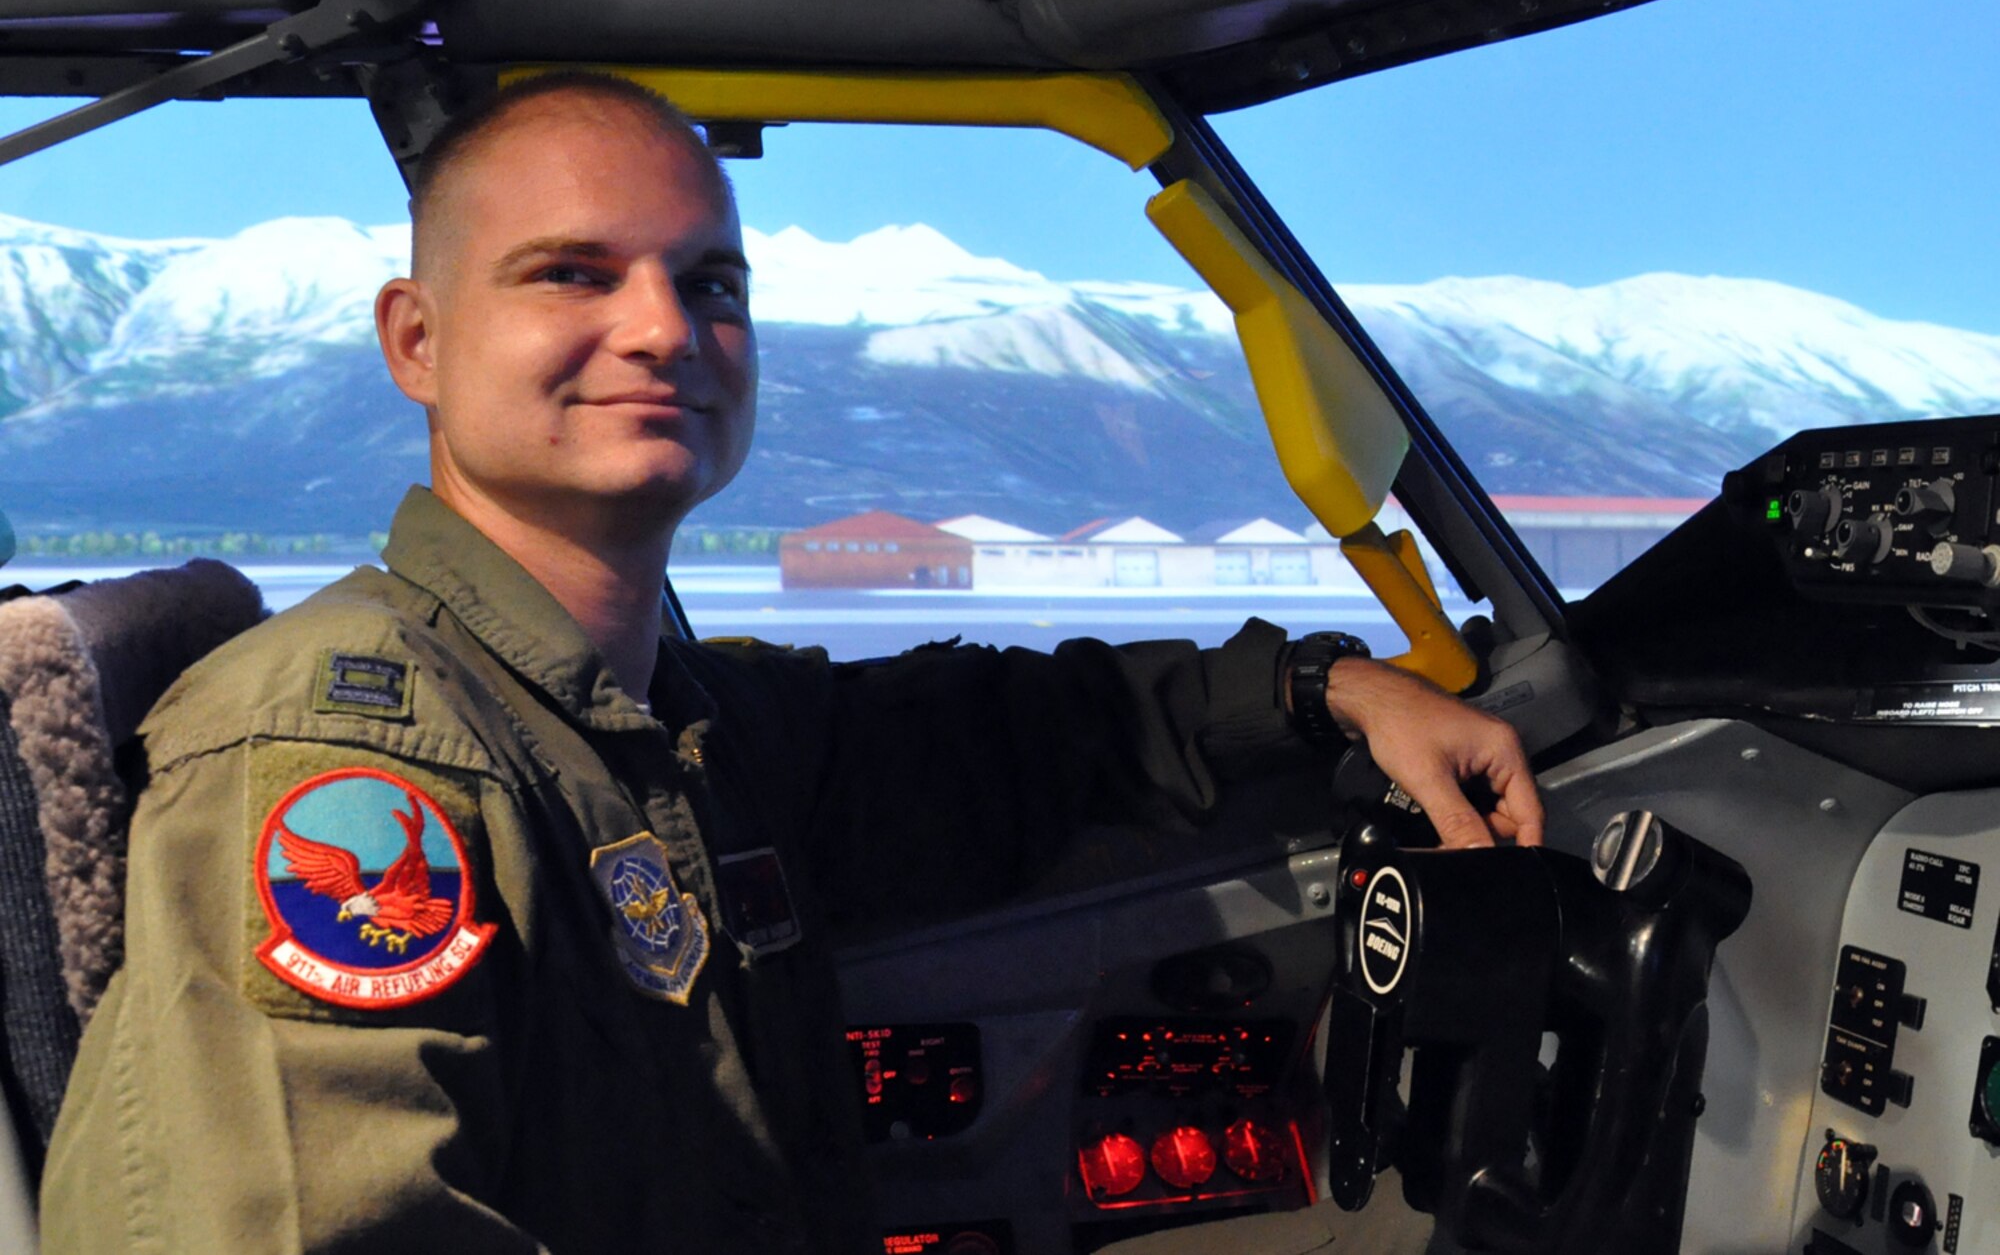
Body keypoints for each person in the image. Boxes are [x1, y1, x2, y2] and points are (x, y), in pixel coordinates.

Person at [40, 72, 1542, 1252]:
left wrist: (1325, 689)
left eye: (710, 284)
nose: (661, 330)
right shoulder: (354, 758)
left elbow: (1000, 734)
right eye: (572, 274)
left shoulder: (655, 716)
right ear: (418, 342)